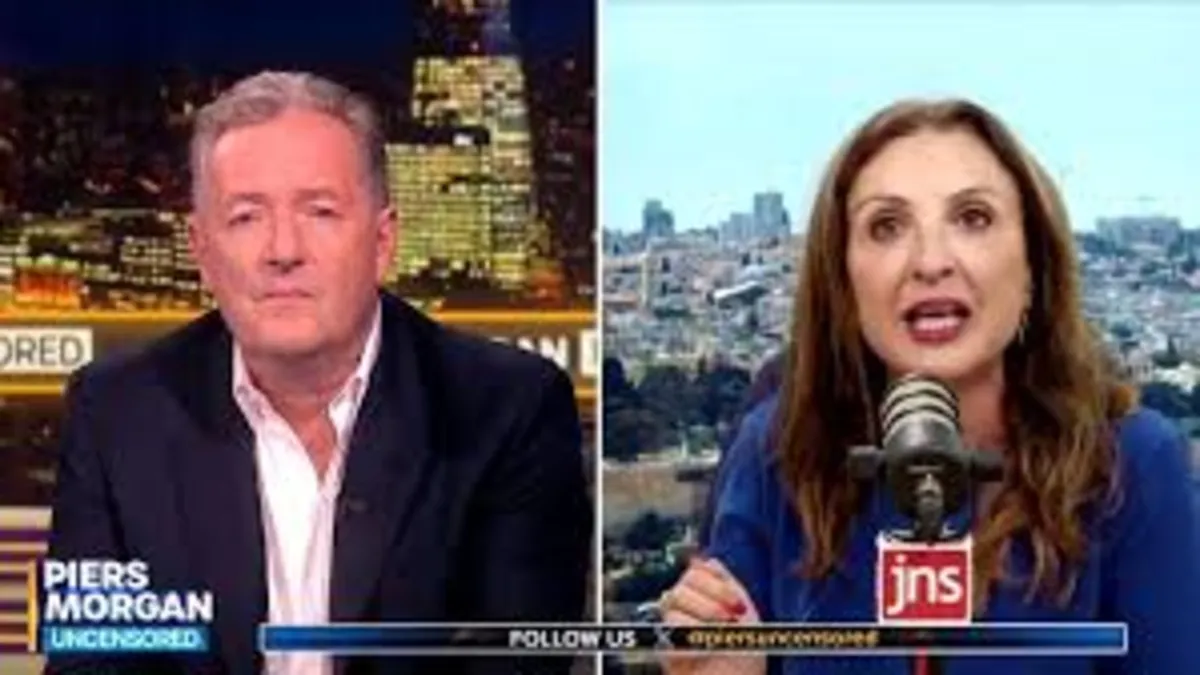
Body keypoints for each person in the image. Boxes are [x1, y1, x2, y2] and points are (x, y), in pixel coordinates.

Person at [45, 71, 591, 675]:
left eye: (320, 212)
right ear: (201, 251)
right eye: (246, 217)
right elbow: (90, 662)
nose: (283, 250)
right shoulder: (117, 413)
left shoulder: (506, 410)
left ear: (382, 241)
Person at [658, 99, 1200, 675]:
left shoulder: (1132, 464)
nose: (930, 261)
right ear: (844, 280)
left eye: (973, 218)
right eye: (887, 227)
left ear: (1033, 269)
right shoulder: (778, 449)